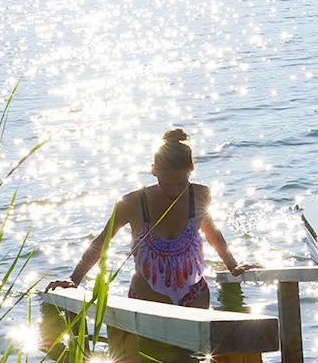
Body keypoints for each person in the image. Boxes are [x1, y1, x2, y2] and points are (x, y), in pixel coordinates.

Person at [45, 128, 260, 306]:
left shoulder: (199, 194)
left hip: (195, 297)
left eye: (181, 184)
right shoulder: (133, 202)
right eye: (167, 184)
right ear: (153, 171)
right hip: (146, 301)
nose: (175, 192)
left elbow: (211, 231)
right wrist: (74, 279)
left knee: (194, 358)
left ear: (192, 170)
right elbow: (102, 241)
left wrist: (233, 265)